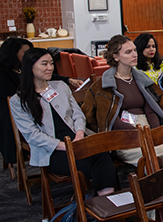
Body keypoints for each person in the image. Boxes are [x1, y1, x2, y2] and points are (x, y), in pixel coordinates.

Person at [10, 48, 116, 196]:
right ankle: (105, 205)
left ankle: (103, 205)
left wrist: (79, 134)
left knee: (102, 154)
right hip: (52, 150)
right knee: (98, 166)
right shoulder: (18, 101)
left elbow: (78, 114)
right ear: (30, 66)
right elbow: (32, 135)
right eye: (44, 64)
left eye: (51, 63)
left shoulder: (60, 86)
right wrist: (65, 146)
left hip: (77, 140)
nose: (50, 68)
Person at [83, 35, 163, 167]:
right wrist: (144, 135)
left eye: (134, 50)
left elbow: (151, 110)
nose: (134, 55)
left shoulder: (141, 80)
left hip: (149, 127)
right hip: (125, 135)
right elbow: (111, 119)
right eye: (128, 52)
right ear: (115, 57)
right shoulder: (104, 85)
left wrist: (156, 134)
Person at [0, 38, 79, 165]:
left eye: (51, 63)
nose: (29, 55)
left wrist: (67, 80)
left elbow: (49, 76)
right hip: (16, 113)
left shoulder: (46, 79)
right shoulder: (6, 77)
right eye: (25, 53)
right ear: (13, 54)